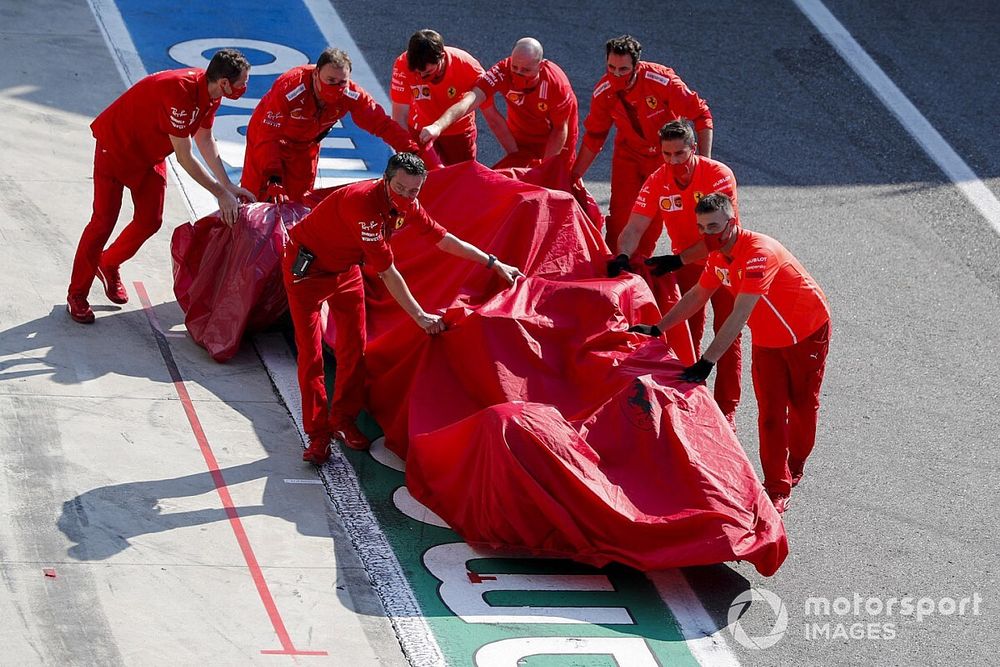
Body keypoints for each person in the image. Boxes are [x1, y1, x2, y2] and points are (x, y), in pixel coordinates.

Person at [283, 152, 524, 465]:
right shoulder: (364, 205)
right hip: (307, 273)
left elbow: (443, 239)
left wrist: (494, 262)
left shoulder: (406, 201)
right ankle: (318, 435)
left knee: (354, 349)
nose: (407, 196)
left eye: (414, 191)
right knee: (311, 357)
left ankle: (342, 420)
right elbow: (387, 272)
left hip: (345, 270)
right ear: (385, 180)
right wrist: (421, 317)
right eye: (400, 188)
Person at [628, 194, 830, 514]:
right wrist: (658, 328)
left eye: (714, 227)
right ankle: (777, 486)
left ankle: (797, 463)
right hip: (767, 341)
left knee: (802, 406)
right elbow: (697, 294)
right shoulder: (718, 257)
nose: (707, 234)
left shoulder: (757, 254)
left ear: (732, 223)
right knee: (771, 413)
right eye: (701, 227)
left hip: (806, 333)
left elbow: (738, 315)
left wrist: (707, 360)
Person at [67, 48, 256, 323]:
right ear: (225, 83)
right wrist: (220, 194)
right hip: (116, 149)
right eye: (242, 83)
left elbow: (204, 138)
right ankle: (77, 294)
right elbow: (184, 156)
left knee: (150, 220)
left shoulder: (212, 94)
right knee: (102, 223)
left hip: (149, 154)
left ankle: (107, 263)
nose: (245, 87)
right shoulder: (181, 92)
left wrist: (228, 185)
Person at [608, 120, 742, 428]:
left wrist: (678, 259)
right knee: (685, 333)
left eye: (680, 154)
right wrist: (623, 255)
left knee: (727, 334)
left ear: (694, 149)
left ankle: (727, 412)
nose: (673, 162)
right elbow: (634, 227)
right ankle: (695, 400)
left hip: (726, 264)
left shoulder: (718, 175)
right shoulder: (659, 179)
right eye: (666, 154)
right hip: (687, 267)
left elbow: (717, 238)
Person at [572, 35, 713, 249]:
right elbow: (594, 136)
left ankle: (639, 269)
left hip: (663, 157)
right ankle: (614, 269)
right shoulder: (603, 92)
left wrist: (703, 164)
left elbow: (702, 116)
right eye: (611, 68)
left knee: (651, 220)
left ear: (636, 66)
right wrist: (573, 176)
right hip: (628, 155)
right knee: (620, 217)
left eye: (623, 70)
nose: (616, 75)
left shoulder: (662, 81)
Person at [241, 47, 421, 203]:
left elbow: (380, 123)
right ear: (317, 73)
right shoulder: (290, 88)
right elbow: (268, 134)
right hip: (268, 139)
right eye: (331, 81)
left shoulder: (351, 94)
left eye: (342, 82)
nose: (337, 87)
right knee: (254, 195)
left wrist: (411, 149)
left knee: (298, 201)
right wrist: (273, 175)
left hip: (305, 146)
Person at [419, 37, 578, 168]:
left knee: (559, 184)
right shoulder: (502, 71)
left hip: (557, 144)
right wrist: (438, 126)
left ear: (541, 65)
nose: (518, 73)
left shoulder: (556, 84)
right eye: (515, 67)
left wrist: (545, 169)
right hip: (522, 141)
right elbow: (471, 99)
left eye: (525, 70)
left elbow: (559, 130)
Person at [390, 29, 507, 165]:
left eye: (428, 73)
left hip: (458, 133)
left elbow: (492, 116)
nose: (422, 78)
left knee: (461, 180)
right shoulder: (402, 64)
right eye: (417, 73)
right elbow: (399, 116)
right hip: (420, 131)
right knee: (419, 181)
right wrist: (407, 155)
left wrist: (513, 155)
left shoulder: (468, 67)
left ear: (442, 56)